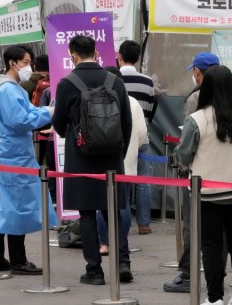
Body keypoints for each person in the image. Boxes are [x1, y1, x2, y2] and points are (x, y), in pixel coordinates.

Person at [52, 35, 133, 285]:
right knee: (113, 212)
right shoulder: (115, 81)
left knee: (86, 215)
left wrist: (73, 134)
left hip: (81, 158)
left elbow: (58, 123)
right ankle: (122, 263)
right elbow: (126, 123)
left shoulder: (67, 83)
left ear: (73, 55)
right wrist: (118, 151)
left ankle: (94, 271)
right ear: (96, 53)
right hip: (112, 158)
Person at [173, 65, 232, 305]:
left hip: (207, 193)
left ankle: (215, 298)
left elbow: (184, 156)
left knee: (210, 245)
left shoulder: (197, 120)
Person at [0, 44, 56, 275]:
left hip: (12, 154)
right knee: (17, 208)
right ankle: (18, 259)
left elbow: (26, 113)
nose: (29, 67)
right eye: (25, 62)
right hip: (14, 157)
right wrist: (48, 113)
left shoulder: (9, 88)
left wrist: (44, 111)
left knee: (4, 207)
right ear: (12, 63)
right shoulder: (9, 90)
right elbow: (20, 121)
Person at [163, 51, 220, 293]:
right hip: (224, 174)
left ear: (198, 71)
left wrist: (182, 165)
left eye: (194, 71)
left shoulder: (194, 100)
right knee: (221, 227)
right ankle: (217, 273)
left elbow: (188, 141)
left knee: (191, 223)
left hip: (197, 173)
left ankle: (188, 273)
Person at [96, 66, 146, 255]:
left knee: (103, 205)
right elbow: (142, 134)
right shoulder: (132, 102)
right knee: (122, 203)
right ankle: (121, 243)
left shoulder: (97, 100)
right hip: (127, 161)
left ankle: (104, 243)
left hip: (102, 162)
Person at [117, 40, 156, 235]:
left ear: (119, 56)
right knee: (143, 180)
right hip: (143, 136)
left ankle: (122, 220)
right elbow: (149, 111)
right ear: (139, 58)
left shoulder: (113, 79)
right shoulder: (148, 82)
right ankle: (144, 223)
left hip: (120, 138)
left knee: (121, 178)